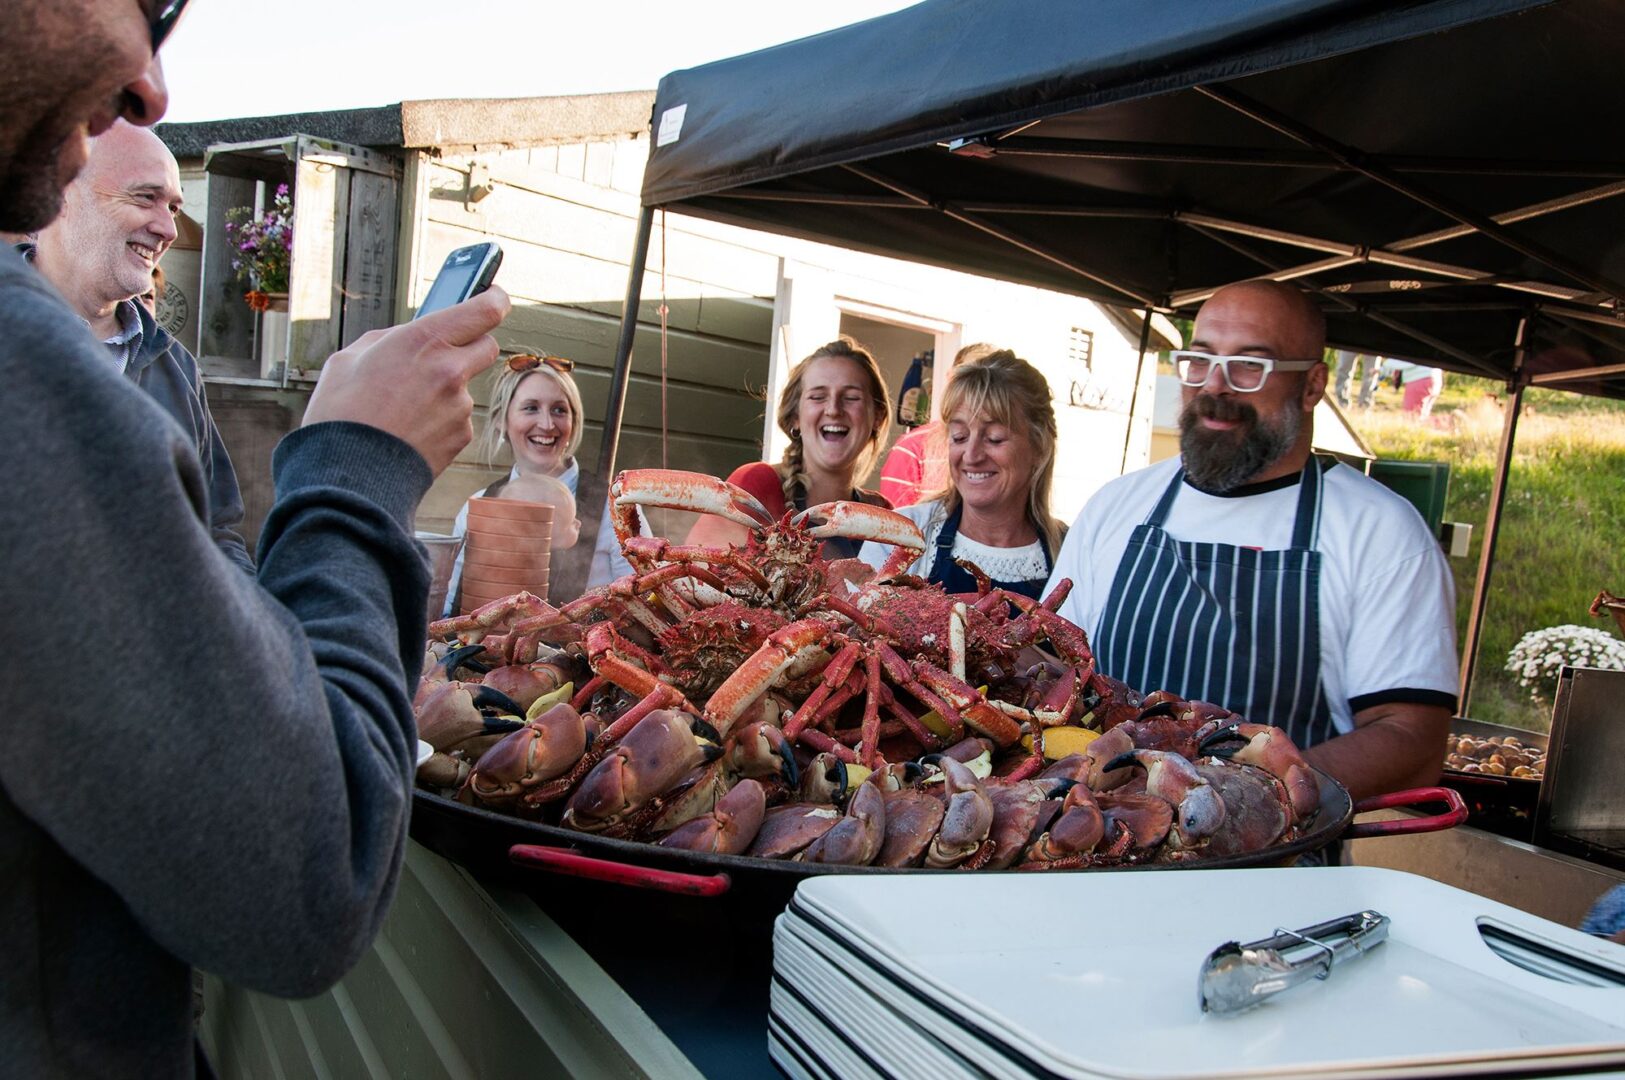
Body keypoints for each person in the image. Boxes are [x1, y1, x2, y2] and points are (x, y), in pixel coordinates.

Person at [0, 5, 511, 1075]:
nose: (149, 85)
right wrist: (355, 470)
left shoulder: (162, 369)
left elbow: (216, 559)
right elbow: (302, 880)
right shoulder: (17, 365)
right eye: (149, 6)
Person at [1044, 279, 1458, 804]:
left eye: (1249, 365)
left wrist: (1245, 799)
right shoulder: (1118, 507)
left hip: (1274, 872)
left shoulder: (1378, 531)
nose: (1215, 387)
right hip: (1092, 845)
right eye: (1199, 360)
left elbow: (1411, 740)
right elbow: (1051, 667)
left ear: (1312, 385)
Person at [28, 120, 253, 571]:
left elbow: (217, 530)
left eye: (173, 206)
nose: (169, 228)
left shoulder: (175, 367)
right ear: (60, 195)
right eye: (145, 197)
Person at [858, 349, 1064, 599]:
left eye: (994, 438)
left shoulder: (1072, 551)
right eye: (959, 437)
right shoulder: (898, 539)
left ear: (1039, 446)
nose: (972, 455)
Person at [686, 337, 892, 560]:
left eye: (852, 398)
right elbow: (699, 571)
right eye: (817, 397)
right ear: (795, 416)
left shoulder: (881, 514)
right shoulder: (756, 485)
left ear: (877, 417)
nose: (833, 409)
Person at [442, 351, 603, 614]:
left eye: (559, 410)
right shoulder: (478, 504)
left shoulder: (613, 507)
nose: (547, 424)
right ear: (501, 420)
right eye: (531, 408)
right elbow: (448, 602)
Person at [877, 342, 999, 507]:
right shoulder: (911, 448)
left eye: (990, 385)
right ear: (951, 379)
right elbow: (893, 526)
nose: (979, 393)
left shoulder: (1008, 451)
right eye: (969, 382)